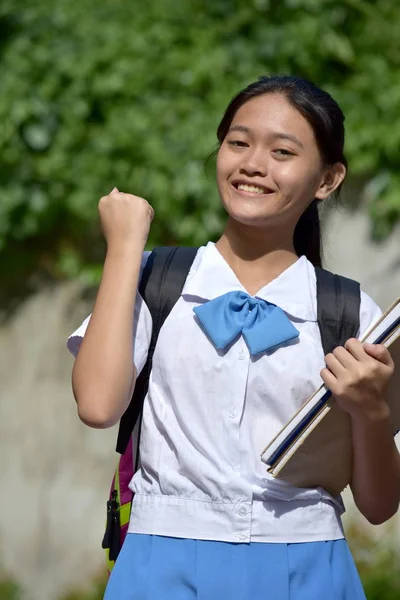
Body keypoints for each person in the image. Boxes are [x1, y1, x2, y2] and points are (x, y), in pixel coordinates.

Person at [67, 75, 399, 600]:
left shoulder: (349, 311)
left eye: (282, 151)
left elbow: (379, 507)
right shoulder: (157, 279)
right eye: (238, 142)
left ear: (328, 180)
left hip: (308, 566)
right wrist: (125, 246)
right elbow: (97, 404)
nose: (253, 164)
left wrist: (372, 411)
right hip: (161, 563)